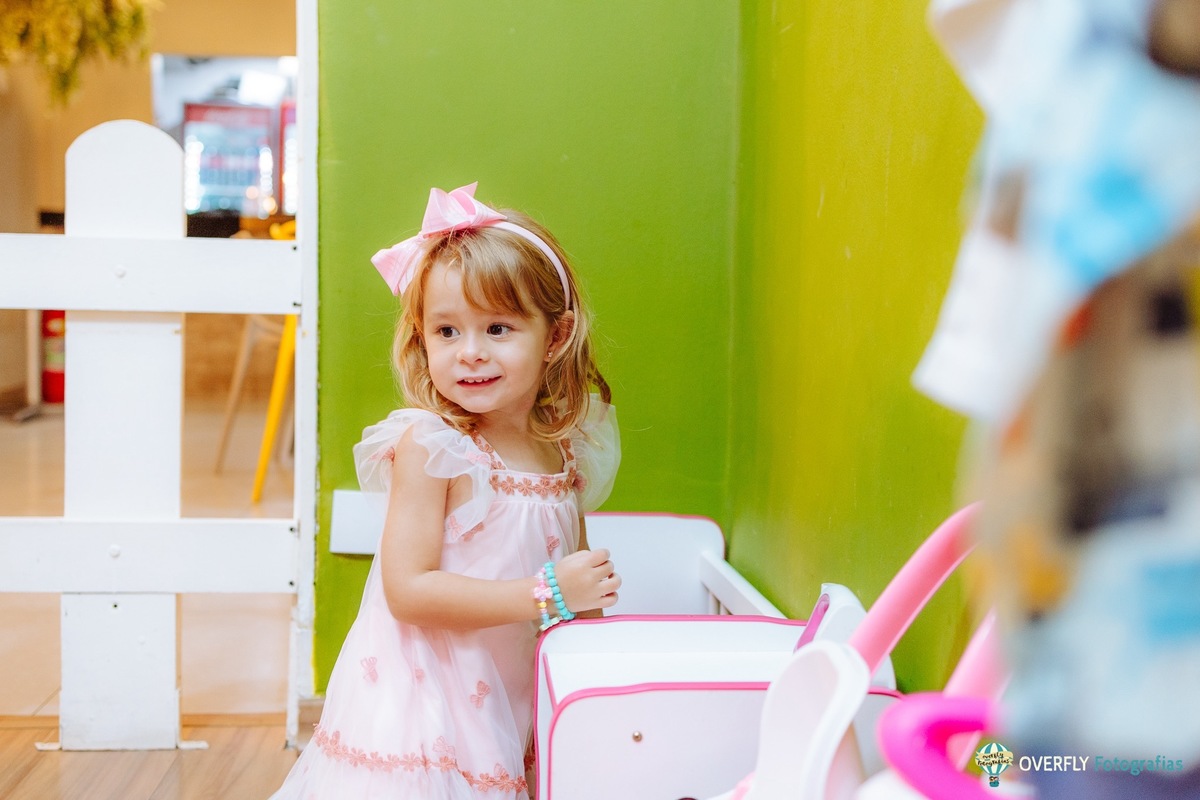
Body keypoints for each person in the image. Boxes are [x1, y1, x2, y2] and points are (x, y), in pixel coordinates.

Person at [270, 182, 621, 799]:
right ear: (421, 338)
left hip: (508, 690)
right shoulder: (435, 447)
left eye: (498, 328)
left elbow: (573, 583)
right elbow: (408, 591)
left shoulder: (562, 451)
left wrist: (591, 647)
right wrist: (548, 595)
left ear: (556, 336)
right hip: (426, 700)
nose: (471, 354)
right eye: (447, 332)